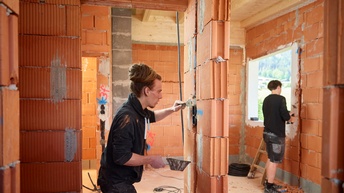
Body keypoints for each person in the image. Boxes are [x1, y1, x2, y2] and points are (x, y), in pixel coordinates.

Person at [97, 63, 184, 193]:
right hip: (115, 183)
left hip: (121, 180)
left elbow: (153, 116)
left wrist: (172, 109)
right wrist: (150, 159)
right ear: (147, 91)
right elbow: (122, 157)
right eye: (159, 91)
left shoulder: (138, 109)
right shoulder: (128, 118)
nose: (161, 96)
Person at [262, 80, 294, 193]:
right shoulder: (281, 99)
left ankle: (268, 183)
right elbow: (284, 116)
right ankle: (269, 187)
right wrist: (289, 116)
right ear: (278, 87)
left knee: (270, 159)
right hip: (276, 135)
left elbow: (271, 113)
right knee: (274, 161)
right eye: (280, 87)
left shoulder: (266, 99)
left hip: (267, 133)